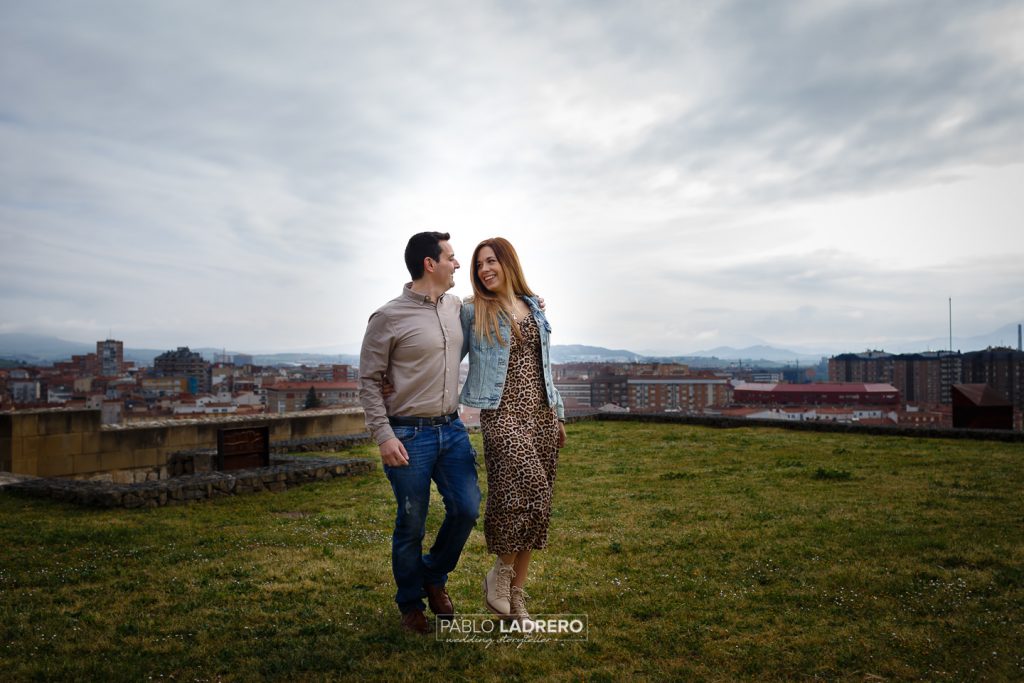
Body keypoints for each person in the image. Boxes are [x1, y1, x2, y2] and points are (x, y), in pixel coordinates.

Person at [358, 231, 481, 635]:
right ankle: (410, 603)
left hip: (452, 429)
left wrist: (532, 301)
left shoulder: (455, 307)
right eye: (451, 257)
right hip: (408, 435)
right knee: (411, 523)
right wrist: (383, 435)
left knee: (466, 509)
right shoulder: (387, 317)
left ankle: (432, 573)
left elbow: (497, 303)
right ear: (430, 264)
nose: (458, 264)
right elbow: (370, 381)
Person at [459, 237, 566, 623]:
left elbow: (546, 364)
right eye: (478, 266)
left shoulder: (533, 306)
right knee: (527, 488)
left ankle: (515, 597)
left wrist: (558, 413)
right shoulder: (473, 311)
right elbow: (442, 350)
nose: (484, 270)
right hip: (502, 414)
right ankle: (498, 576)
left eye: (491, 261)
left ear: (508, 263)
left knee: (538, 502)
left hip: (541, 414)